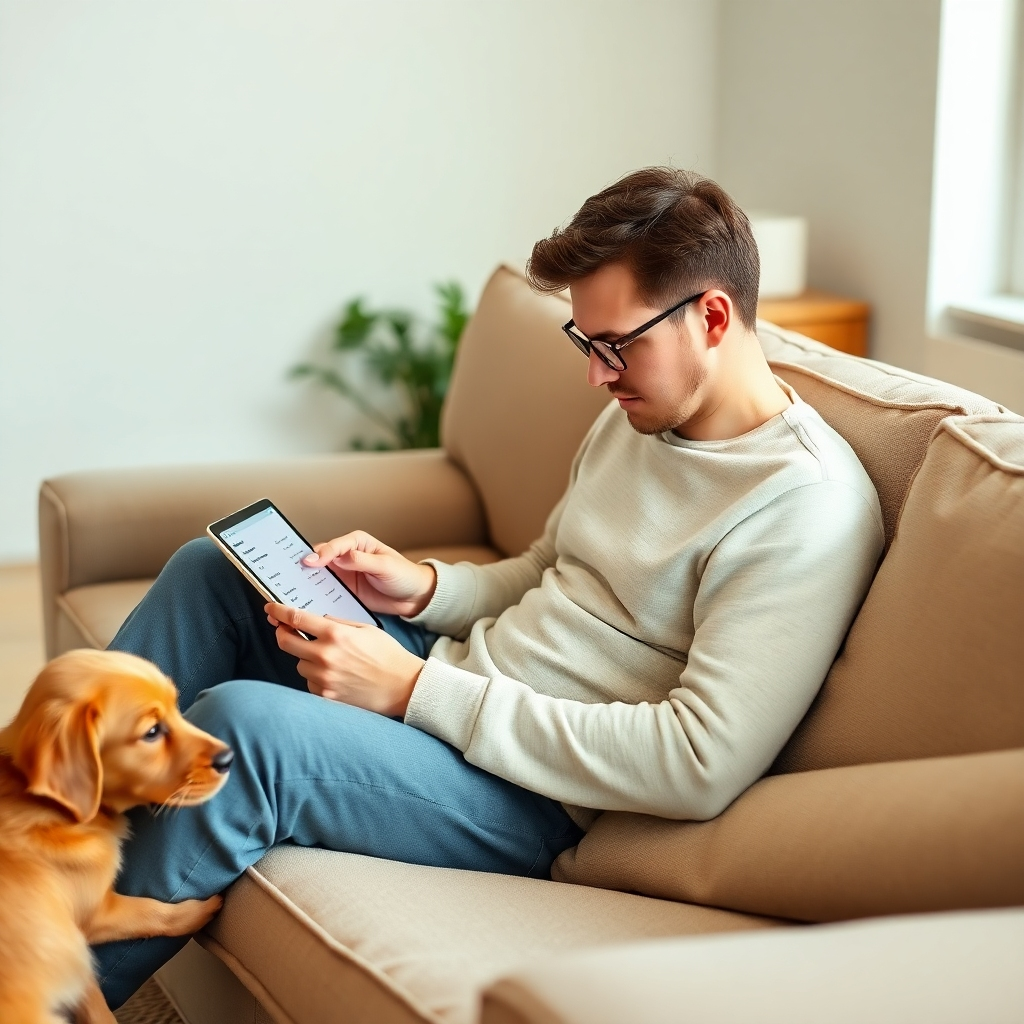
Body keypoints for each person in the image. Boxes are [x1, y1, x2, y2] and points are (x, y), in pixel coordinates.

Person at [96, 167, 883, 1007]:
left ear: (713, 317)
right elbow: (549, 569)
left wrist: (415, 691)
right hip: (456, 682)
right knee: (213, 571)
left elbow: (697, 763)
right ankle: (24, 833)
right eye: (586, 344)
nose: (597, 375)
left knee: (244, 735)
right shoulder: (641, 414)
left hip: (530, 794)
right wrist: (424, 590)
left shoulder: (805, 507)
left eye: (616, 345)